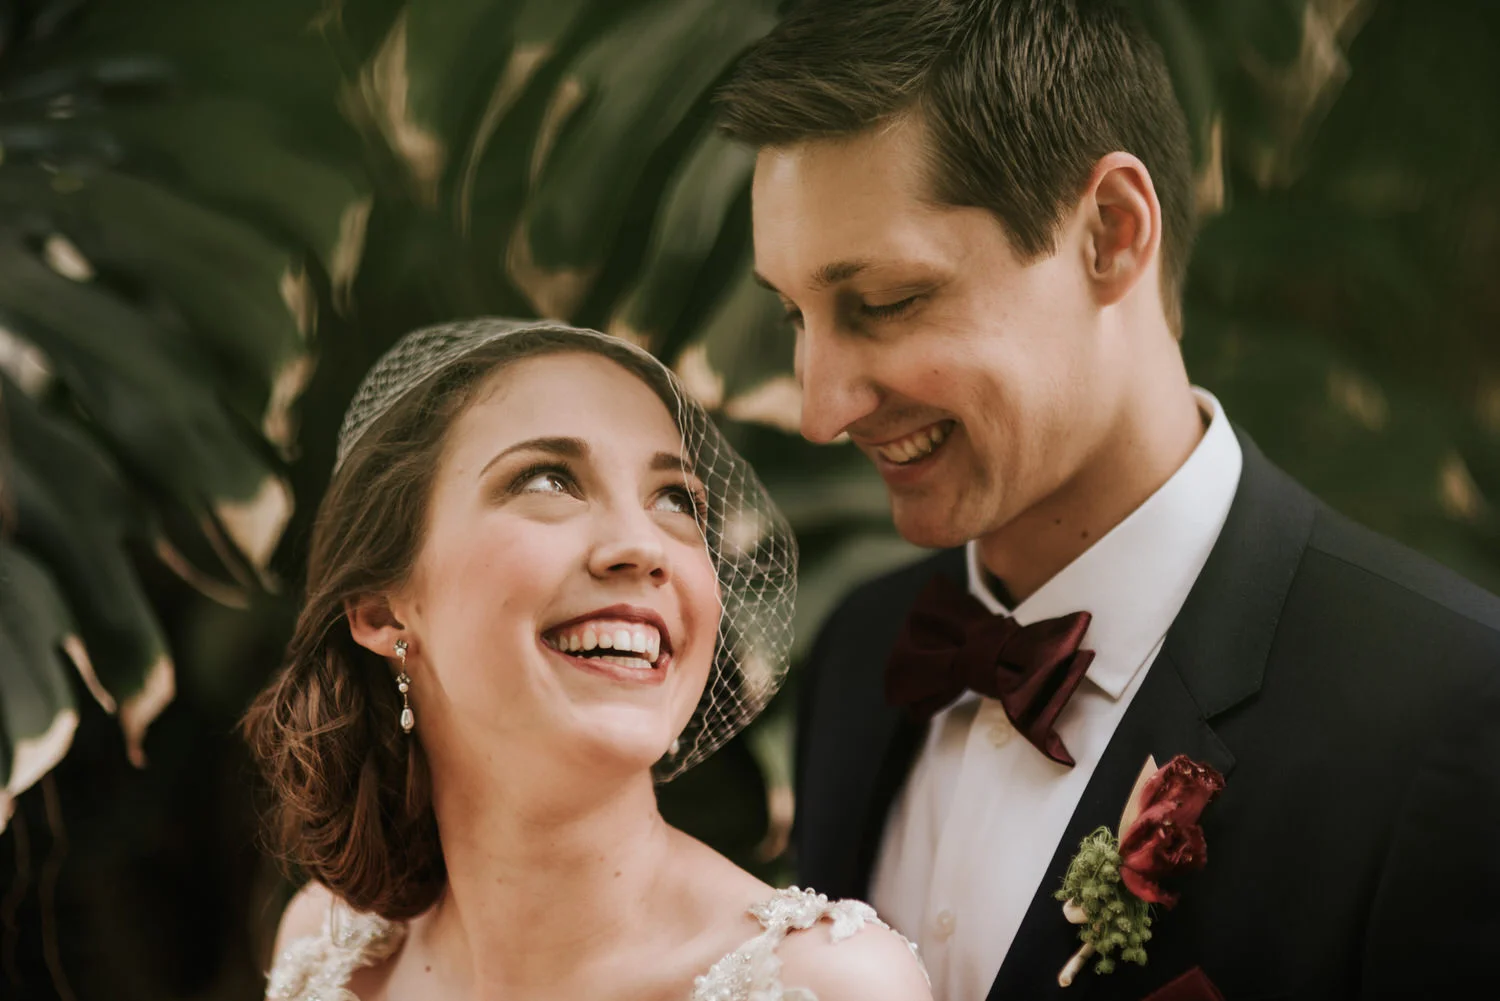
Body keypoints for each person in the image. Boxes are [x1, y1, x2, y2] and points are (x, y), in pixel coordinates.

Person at [717, 2, 1500, 999]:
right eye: (794, 314)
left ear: (1111, 233)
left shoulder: (1453, 720)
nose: (821, 405)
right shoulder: (862, 653)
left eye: (885, 301)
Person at [242, 319, 931, 1001]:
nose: (643, 544)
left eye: (675, 498)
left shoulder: (828, 984)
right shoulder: (325, 951)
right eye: (547, 482)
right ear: (382, 610)